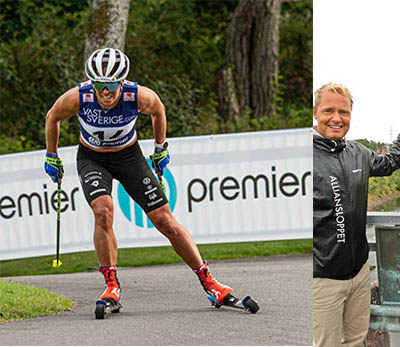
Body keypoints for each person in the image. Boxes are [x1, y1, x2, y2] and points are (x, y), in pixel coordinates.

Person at [44, 47, 248, 311]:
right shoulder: (79, 97)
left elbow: (158, 111)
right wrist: (51, 155)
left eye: (112, 86)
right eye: (99, 85)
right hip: (92, 159)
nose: (105, 92)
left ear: (122, 82)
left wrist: (160, 147)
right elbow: (53, 117)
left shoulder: (137, 95)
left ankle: (210, 282)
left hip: (129, 157)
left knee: (165, 221)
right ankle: (111, 286)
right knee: (103, 213)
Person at [312, 82, 400, 347]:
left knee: (355, 340)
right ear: (315, 113)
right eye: (328, 111)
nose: (336, 118)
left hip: (358, 272)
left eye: (343, 112)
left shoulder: (358, 153)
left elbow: (389, 164)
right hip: (323, 278)